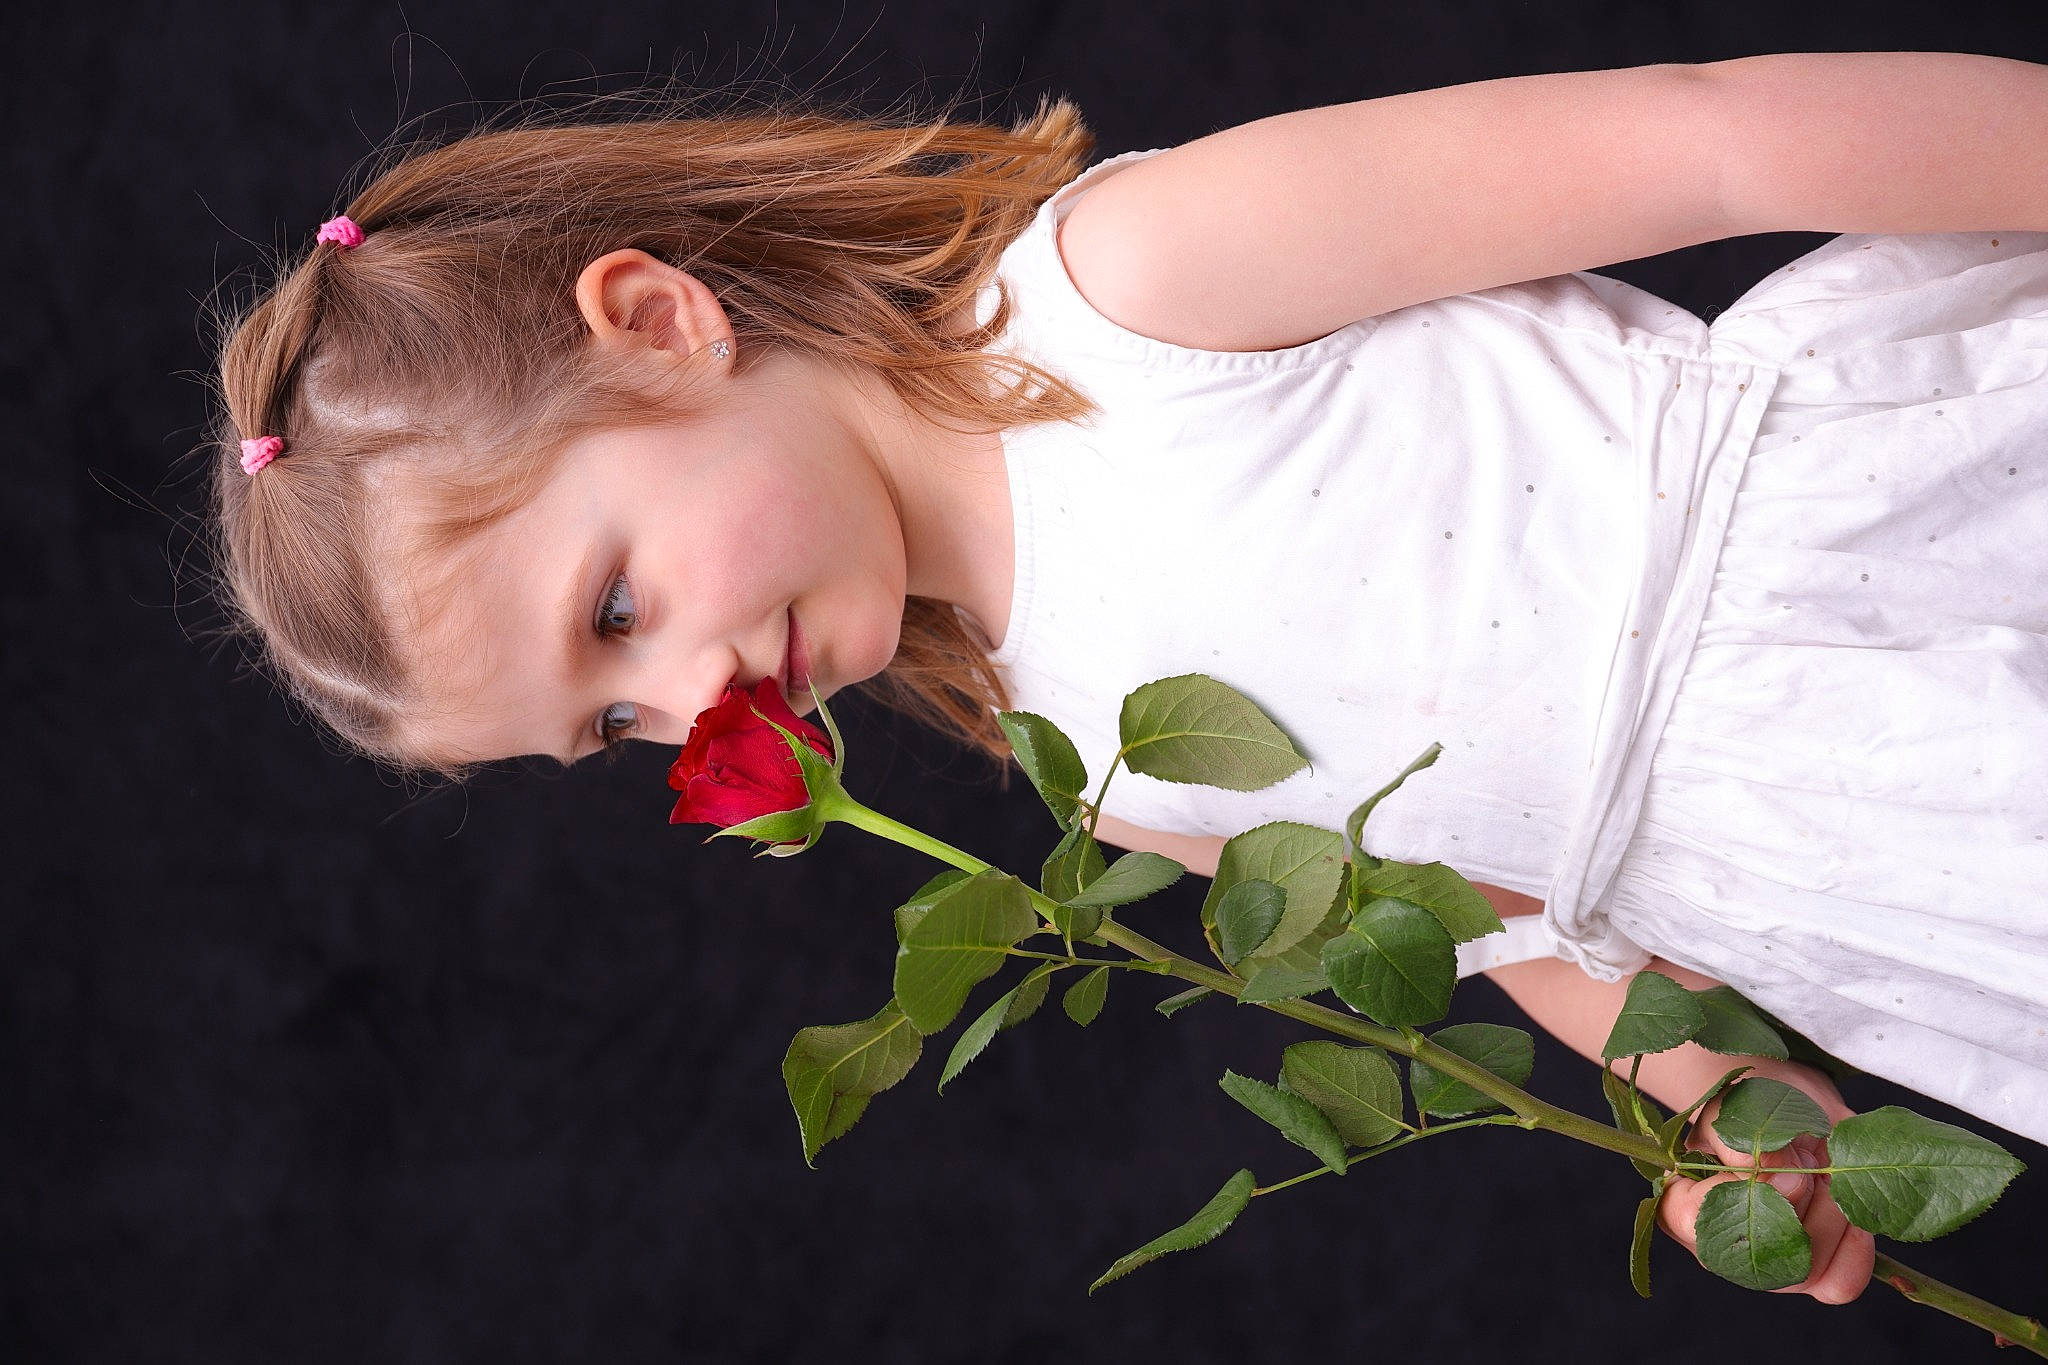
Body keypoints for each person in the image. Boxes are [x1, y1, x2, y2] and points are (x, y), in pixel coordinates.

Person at [206, 57, 2048, 1307]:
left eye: (615, 607)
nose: (691, 707)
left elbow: (1717, 139)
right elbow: (1523, 922)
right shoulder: (1101, 770)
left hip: (1915, 539)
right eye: (609, 726)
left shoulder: (1135, 292)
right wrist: (1730, 1107)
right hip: (1887, 864)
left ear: (661, 324)